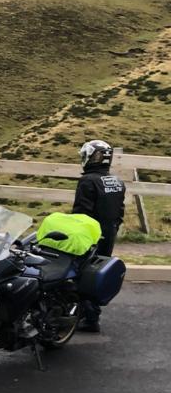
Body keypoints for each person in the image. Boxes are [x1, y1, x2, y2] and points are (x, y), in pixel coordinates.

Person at [73, 139, 126, 333]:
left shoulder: (87, 181)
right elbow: (120, 212)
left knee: (82, 272)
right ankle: (91, 315)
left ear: (92, 157)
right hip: (109, 232)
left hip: (89, 235)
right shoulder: (117, 182)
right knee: (97, 271)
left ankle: (88, 317)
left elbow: (81, 213)